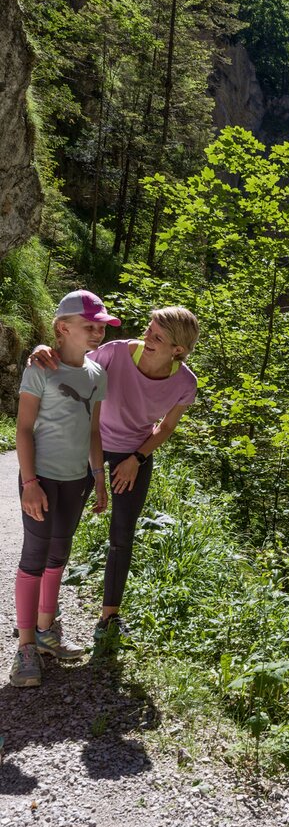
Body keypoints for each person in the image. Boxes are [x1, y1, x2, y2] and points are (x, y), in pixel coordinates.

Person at [30, 304, 199, 652]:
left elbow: (167, 426)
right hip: (86, 443)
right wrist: (43, 350)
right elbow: (72, 362)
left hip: (134, 454)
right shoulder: (116, 352)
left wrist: (137, 458)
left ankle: (109, 618)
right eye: (149, 330)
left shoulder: (185, 382)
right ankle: (46, 605)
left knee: (122, 535)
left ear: (178, 349)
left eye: (158, 337)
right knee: (62, 526)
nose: (147, 338)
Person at [10, 291, 114, 688]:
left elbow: (93, 430)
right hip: (41, 478)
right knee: (34, 557)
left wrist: (98, 476)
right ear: (62, 328)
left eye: (101, 327)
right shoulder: (41, 368)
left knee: (59, 554)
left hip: (77, 480)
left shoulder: (97, 373)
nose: (97, 332)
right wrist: (30, 483)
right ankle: (24, 649)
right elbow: (23, 429)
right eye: (89, 326)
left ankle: (46, 631)